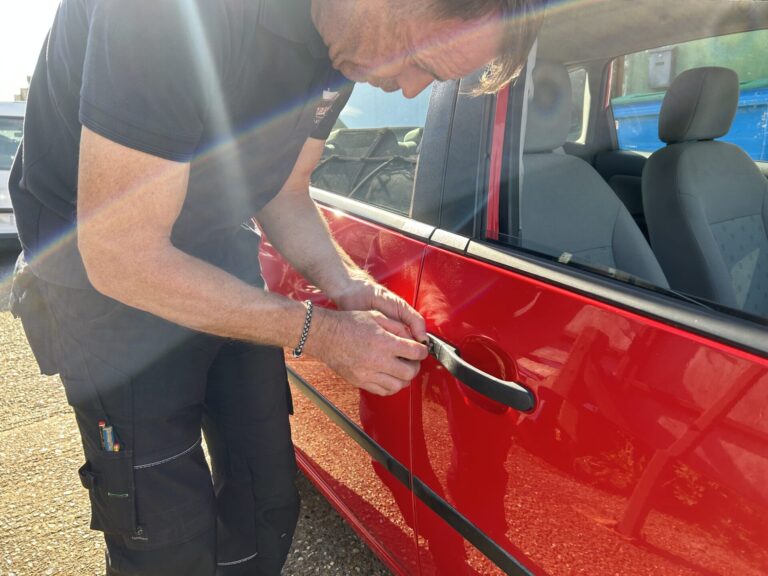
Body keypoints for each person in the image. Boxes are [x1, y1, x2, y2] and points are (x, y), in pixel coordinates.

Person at [8, 0, 543, 574]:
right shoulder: (169, 16)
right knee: (164, 538)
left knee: (266, 499)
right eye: (424, 65)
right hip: (105, 284)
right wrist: (324, 335)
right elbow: (121, 255)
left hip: (213, 243)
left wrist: (351, 285)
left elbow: (285, 188)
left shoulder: (344, 47)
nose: (410, 93)